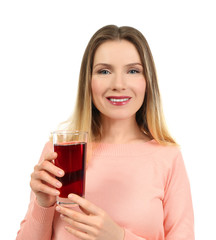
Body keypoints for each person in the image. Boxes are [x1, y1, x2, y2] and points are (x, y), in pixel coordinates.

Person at [16, 25, 194, 240]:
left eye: (133, 70)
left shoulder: (167, 156)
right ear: (88, 81)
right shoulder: (62, 152)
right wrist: (43, 204)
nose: (118, 84)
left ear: (147, 81)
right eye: (104, 71)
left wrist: (119, 237)